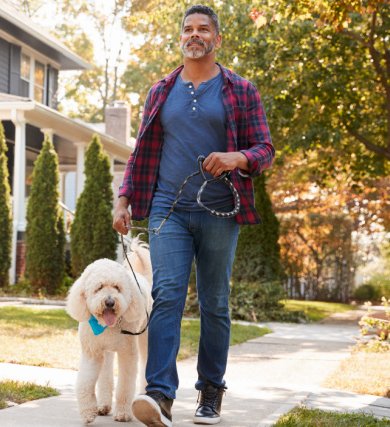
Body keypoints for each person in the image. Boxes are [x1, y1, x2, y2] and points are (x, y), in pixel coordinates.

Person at [112, 4, 274, 426]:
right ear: (181, 37)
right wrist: (123, 199)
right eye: (188, 29)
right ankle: (160, 395)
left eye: (204, 29)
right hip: (168, 208)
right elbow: (141, 152)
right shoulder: (161, 91)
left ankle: (210, 393)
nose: (195, 34)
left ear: (217, 39)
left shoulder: (240, 90)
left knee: (214, 302)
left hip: (220, 208)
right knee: (166, 294)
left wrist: (236, 157)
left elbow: (264, 150)